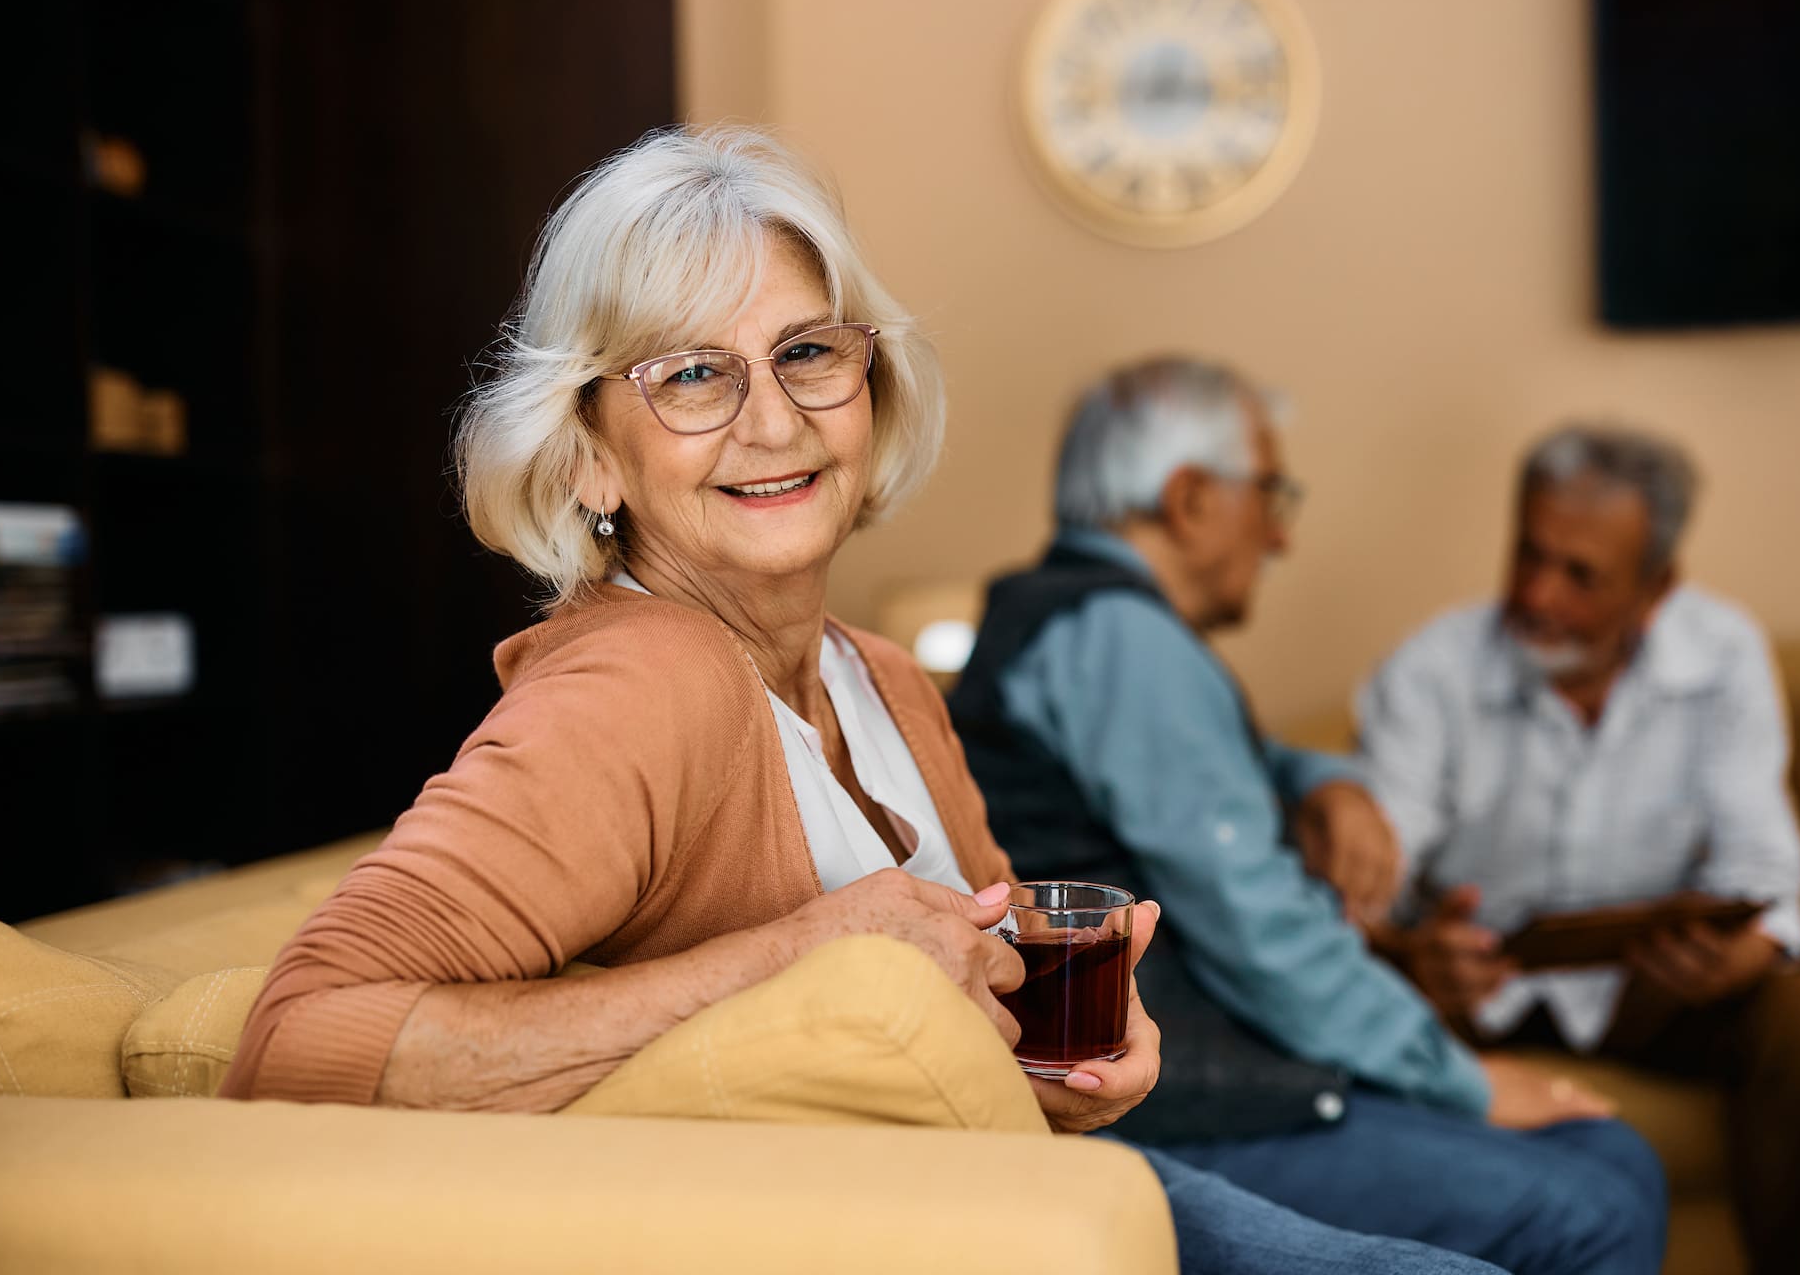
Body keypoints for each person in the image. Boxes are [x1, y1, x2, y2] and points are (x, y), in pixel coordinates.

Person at [217, 127, 1500, 1275]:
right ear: (592, 450)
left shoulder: (879, 676)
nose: (772, 420)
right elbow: (298, 1044)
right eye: (690, 375)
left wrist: (1078, 1061)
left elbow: (982, 1022)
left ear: (868, 392)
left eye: (806, 352)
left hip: (1026, 1207)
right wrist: (802, 954)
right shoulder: (639, 683)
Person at [949, 357, 1667, 1275]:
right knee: (1593, 1207)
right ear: (1192, 499)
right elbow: (1266, 933)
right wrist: (1464, 1080)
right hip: (1177, 1112)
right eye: (1270, 495)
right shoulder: (1126, 643)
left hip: (1209, 1079)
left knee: (1611, 1158)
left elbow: (1222, 772)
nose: (1281, 537)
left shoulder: (1077, 623)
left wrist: (1321, 777)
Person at [1356, 424, 1800, 1275]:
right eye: (1529, 553)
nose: (1538, 594)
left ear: (1657, 587)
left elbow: (1764, 867)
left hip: (1648, 986)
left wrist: (1744, 953)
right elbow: (1373, 869)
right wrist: (1413, 953)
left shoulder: (1725, 654)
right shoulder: (1430, 669)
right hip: (1478, 982)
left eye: (1579, 574)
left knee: (1797, 1024)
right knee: (1362, 1012)